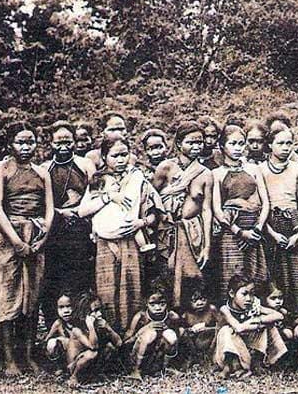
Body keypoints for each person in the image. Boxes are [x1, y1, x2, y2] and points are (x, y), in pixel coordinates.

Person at [0, 121, 54, 375]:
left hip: (35, 234)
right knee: (7, 293)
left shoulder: (42, 172)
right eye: (20, 142)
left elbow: (49, 209)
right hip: (6, 235)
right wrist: (16, 241)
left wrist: (43, 237)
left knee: (32, 295)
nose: (26, 147)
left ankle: (27, 356)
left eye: (30, 142)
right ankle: (9, 360)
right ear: (10, 144)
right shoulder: (0, 169)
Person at [78, 139, 163, 331]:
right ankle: (110, 335)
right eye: (115, 155)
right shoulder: (99, 180)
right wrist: (108, 196)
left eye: (124, 154)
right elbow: (83, 211)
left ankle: (132, 333)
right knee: (107, 289)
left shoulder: (138, 177)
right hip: (105, 242)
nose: (120, 159)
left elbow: (155, 210)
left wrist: (141, 222)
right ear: (105, 156)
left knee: (132, 287)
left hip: (131, 240)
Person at [40, 121, 97, 328]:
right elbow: (42, 200)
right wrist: (60, 212)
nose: (63, 146)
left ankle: (81, 326)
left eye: (68, 141)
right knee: (53, 279)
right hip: (54, 231)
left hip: (81, 229)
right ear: (50, 143)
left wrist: (79, 211)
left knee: (80, 278)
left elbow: (95, 193)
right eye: (58, 142)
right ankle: (55, 329)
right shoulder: (45, 168)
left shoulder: (85, 164)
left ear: (74, 141)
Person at [152, 121, 213, 307]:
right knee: (167, 274)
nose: (196, 147)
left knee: (192, 278)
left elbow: (206, 210)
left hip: (192, 234)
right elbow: (151, 198)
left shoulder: (205, 174)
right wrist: (161, 216)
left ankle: (189, 315)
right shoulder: (165, 168)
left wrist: (207, 246)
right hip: (167, 231)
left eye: (199, 142)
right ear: (179, 143)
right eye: (191, 142)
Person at [212, 125, 270, 297]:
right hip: (231, 234)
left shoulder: (254, 169)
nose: (237, 148)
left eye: (241, 143)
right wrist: (240, 232)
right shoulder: (216, 173)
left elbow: (265, 203)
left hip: (254, 230)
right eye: (232, 143)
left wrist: (257, 229)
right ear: (222, 146)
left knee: (255, 275)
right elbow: (217, 209)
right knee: (233, 275)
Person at [260, 122, 298, 312]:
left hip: (294, 224)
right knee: (275, 273)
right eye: (280, 143)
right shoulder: (260, 169)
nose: (286, 148)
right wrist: (271, 233)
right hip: (270, 224)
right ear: (270, 145)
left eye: (289, 143)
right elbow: (260, 204)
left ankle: (296, 315)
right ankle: (277, 316)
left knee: (297, 274)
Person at [215, 275, 286, 378]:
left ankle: (257, 362)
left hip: (247, 346)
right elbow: (239, 328)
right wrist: (256, 324)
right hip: (228, 350)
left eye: (251, 294)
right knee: (226, 330)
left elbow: (279, 315)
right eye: (244, 294)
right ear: (232, 294)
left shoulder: (252, 306)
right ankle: (229, 366)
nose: (248, 298)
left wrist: (257, 320)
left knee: (267, 326)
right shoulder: (225, 309)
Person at [124, 284, 183, 380]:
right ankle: (136, 370)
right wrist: (143, 330)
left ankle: (167, 367)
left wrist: (167, 331)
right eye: (153, 304)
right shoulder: (140, 317)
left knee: (170, 335)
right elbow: (126, 342)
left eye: (162, 304)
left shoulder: (171, 316)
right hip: (141, 357)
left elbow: (179, 338)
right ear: (146, 303)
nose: (158, 308)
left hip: (160, 357)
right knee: (150, 334)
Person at [66, 292, 123, 387]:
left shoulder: (98, 325)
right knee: (93, 354)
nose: (99, 314)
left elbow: (119, 343)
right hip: (74, 365)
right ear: (85, 315)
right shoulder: (77, 330)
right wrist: (91, 327)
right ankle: (74, 377)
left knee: (109, 347)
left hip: (88, 363)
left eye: (100, 309)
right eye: (95, 311)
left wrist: (108, 328)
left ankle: (95, 374)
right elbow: (93, 347)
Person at [181, 283, 220, 364]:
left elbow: (221, 325)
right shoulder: (186, 314)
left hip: (210, 341)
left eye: (203, 299)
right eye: (194, 301)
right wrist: (191, 330)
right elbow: (182, 330)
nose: (199, 303)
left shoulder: (211, 309)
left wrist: (207, 328)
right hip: (193, 344)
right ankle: (193, 357)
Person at [44, 293, 75, 372]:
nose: (66, 311)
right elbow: (47, 339)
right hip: (66, 351)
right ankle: (60, 366)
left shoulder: (79, 321)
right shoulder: (58, 323)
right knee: (52, 343)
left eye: (68, 306)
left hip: (78, 351)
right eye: (61, 307)